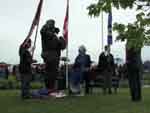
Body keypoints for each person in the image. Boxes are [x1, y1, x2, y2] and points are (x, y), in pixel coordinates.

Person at [40, 19, 66, 94]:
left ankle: (51, 89)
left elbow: (62, 47)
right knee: (49, 73)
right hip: (49, 55)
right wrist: (49, 27)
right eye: (51, 25)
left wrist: (62, 40)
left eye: (53, 25)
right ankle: (49, 89)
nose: (53, 26)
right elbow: (42, 31)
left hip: (55, 57)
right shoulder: (46, 33)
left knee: (53, 74)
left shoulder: (55, 36)